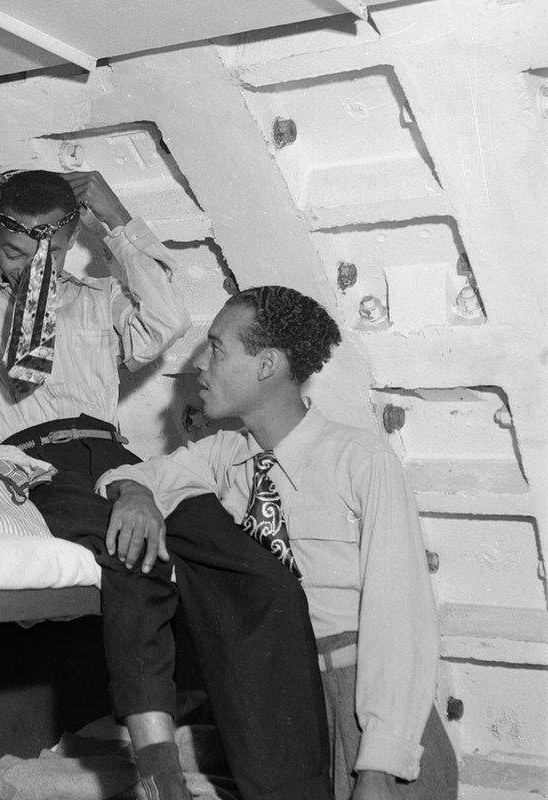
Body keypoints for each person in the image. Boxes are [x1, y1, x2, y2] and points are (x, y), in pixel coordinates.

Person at [0, 172, 332, 800]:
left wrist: (118, 217)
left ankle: (292, 790)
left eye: (50, 249)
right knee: (136, 562)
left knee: (260, 576)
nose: (34, 267)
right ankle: (158, 773)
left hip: (119, 456)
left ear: (72, 233)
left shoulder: (98, 301)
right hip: (38, 462)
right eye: (20, 250)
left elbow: (165, 318)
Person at [99, 286, 457, 800]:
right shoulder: (220, 455)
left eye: (217, 348)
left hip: (364, 702)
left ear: (266, 365)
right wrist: (133, 492)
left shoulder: (361, 459)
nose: (201, 366)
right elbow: (125, 472)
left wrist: (377, 767)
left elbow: (400, 619)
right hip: (272, 700)